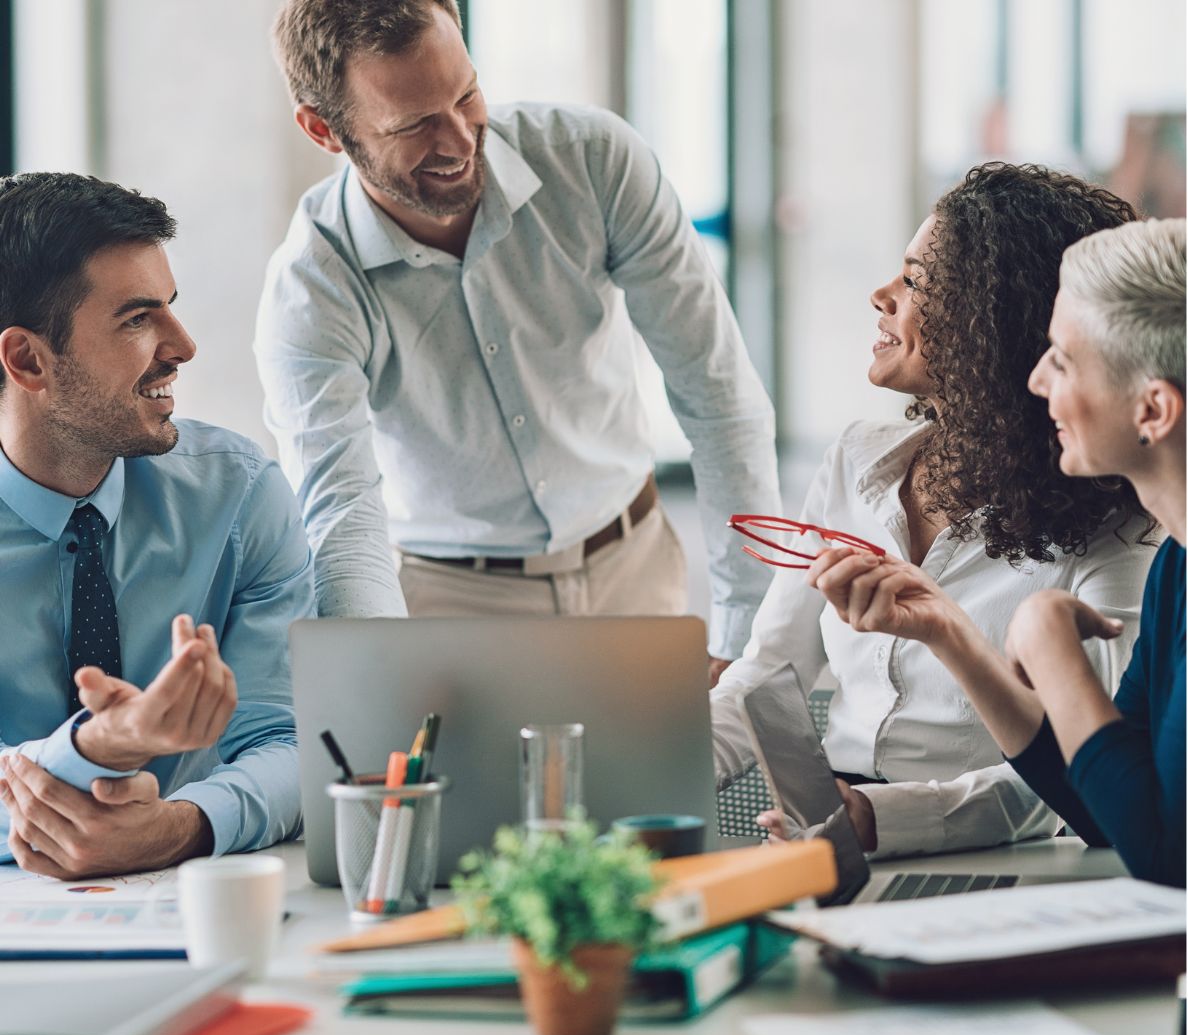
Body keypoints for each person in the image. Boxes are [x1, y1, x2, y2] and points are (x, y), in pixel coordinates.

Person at [256, 0, 780, 684]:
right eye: (415, 124)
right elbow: (340, 512)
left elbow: (718, 395)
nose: (460, 139)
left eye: (467, 94)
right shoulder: (310, 286)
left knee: (654, 793)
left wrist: (750, 631)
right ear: (324, 130)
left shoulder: (594, 161)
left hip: (633, 564)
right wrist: (372, 682)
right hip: (452, 601)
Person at [713, 163, 1158, 858]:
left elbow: (1084, 781)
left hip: (1004, 856)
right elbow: (768, 675)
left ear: (995, 324)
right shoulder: (856, 462)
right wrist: (645, 768)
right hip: (832, 831)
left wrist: (879, 819)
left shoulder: (1120, 527)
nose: (881, 296)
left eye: (916, 281)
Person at [809, 218, 1184, 886]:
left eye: (1063, 360)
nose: (1035, 380)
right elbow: (1112, 815)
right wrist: (950, 631)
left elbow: (1166, 856)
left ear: (1153, 411)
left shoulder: (1156, 555)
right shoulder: (1177, 568)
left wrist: (1050, 647)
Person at [0, 172, 315, 878]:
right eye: (138, 319)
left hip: (193, 900)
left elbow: (292, 741)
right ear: (28, 360)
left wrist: (182, 826)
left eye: (170, 308)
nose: (183, 345)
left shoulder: (240, 496)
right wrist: (98, 749)